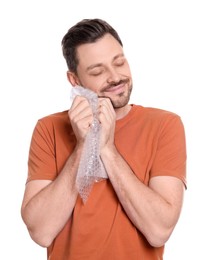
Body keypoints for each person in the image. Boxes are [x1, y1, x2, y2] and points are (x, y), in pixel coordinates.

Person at [21, 18, 187, 260]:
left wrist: (107, 149)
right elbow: (41, 232)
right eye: (98, 71)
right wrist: (83, 147)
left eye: (119, 62)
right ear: (75, 81)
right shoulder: (48, 128)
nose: (115, 77)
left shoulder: (165, 125)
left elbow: (159, 231)